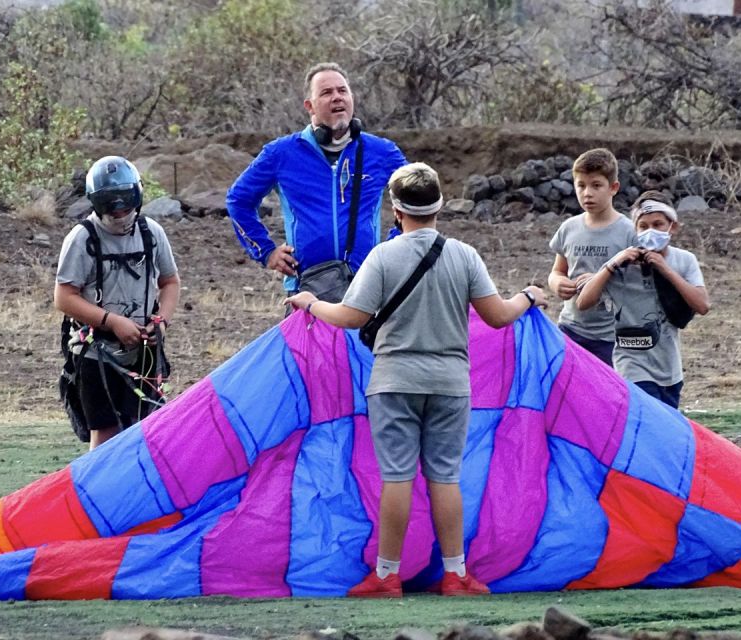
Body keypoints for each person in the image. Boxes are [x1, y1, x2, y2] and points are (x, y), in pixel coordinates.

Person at [286, 162, 547, 598]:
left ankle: (387, 576)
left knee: (397, 478)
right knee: (445, 478)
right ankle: (456, 574)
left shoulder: (384, 257)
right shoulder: (463, 255)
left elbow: (351, 318)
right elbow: (498, 317)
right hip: (450, 384)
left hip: (393, 382)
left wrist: (312, 303)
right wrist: (528, 296)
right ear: (439, 206)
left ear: (396, 209)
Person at [227, 62, 406, 298]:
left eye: (343, 91)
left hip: (367, 289)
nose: (337, 98)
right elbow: (238, 200)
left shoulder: (381, 151)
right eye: (326, 93)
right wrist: (266, 251)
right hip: (306, 292)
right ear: (309, 106)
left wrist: (394, 246)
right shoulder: (280, 153)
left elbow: (420, 197)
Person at [55, 156, 181, 450]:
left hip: (144, 349)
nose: (120, 211)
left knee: (148, 427)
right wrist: (113, 322)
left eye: (126, 202)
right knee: (105, 432)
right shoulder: (82, 238)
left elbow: (170, 282)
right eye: (110, 203)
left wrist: (160, 322)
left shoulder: (152, 233)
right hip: (95, 352)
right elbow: (64, 297)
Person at [576, 191, 709, 409]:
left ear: (672, 227)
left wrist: (664, 269)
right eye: (643, 226)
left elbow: (702, 305)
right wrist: (611, 265)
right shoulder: (622, 265)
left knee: (666, 428)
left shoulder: (685, 260)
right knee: (647, 418)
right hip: (631, 364)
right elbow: (583, 303)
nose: (651, 232)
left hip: (669, 366)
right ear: (635, 230)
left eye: (658, 224)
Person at [548, 148, 637, 365]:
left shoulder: (629, 232)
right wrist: (558, 283)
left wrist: (599, 281)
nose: (587, 193)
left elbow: (638, 286)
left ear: (613, 187)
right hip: (570, 329)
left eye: (596, 185)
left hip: (610, 337)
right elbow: (557, 270)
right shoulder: (569, 228)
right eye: (581, 185)